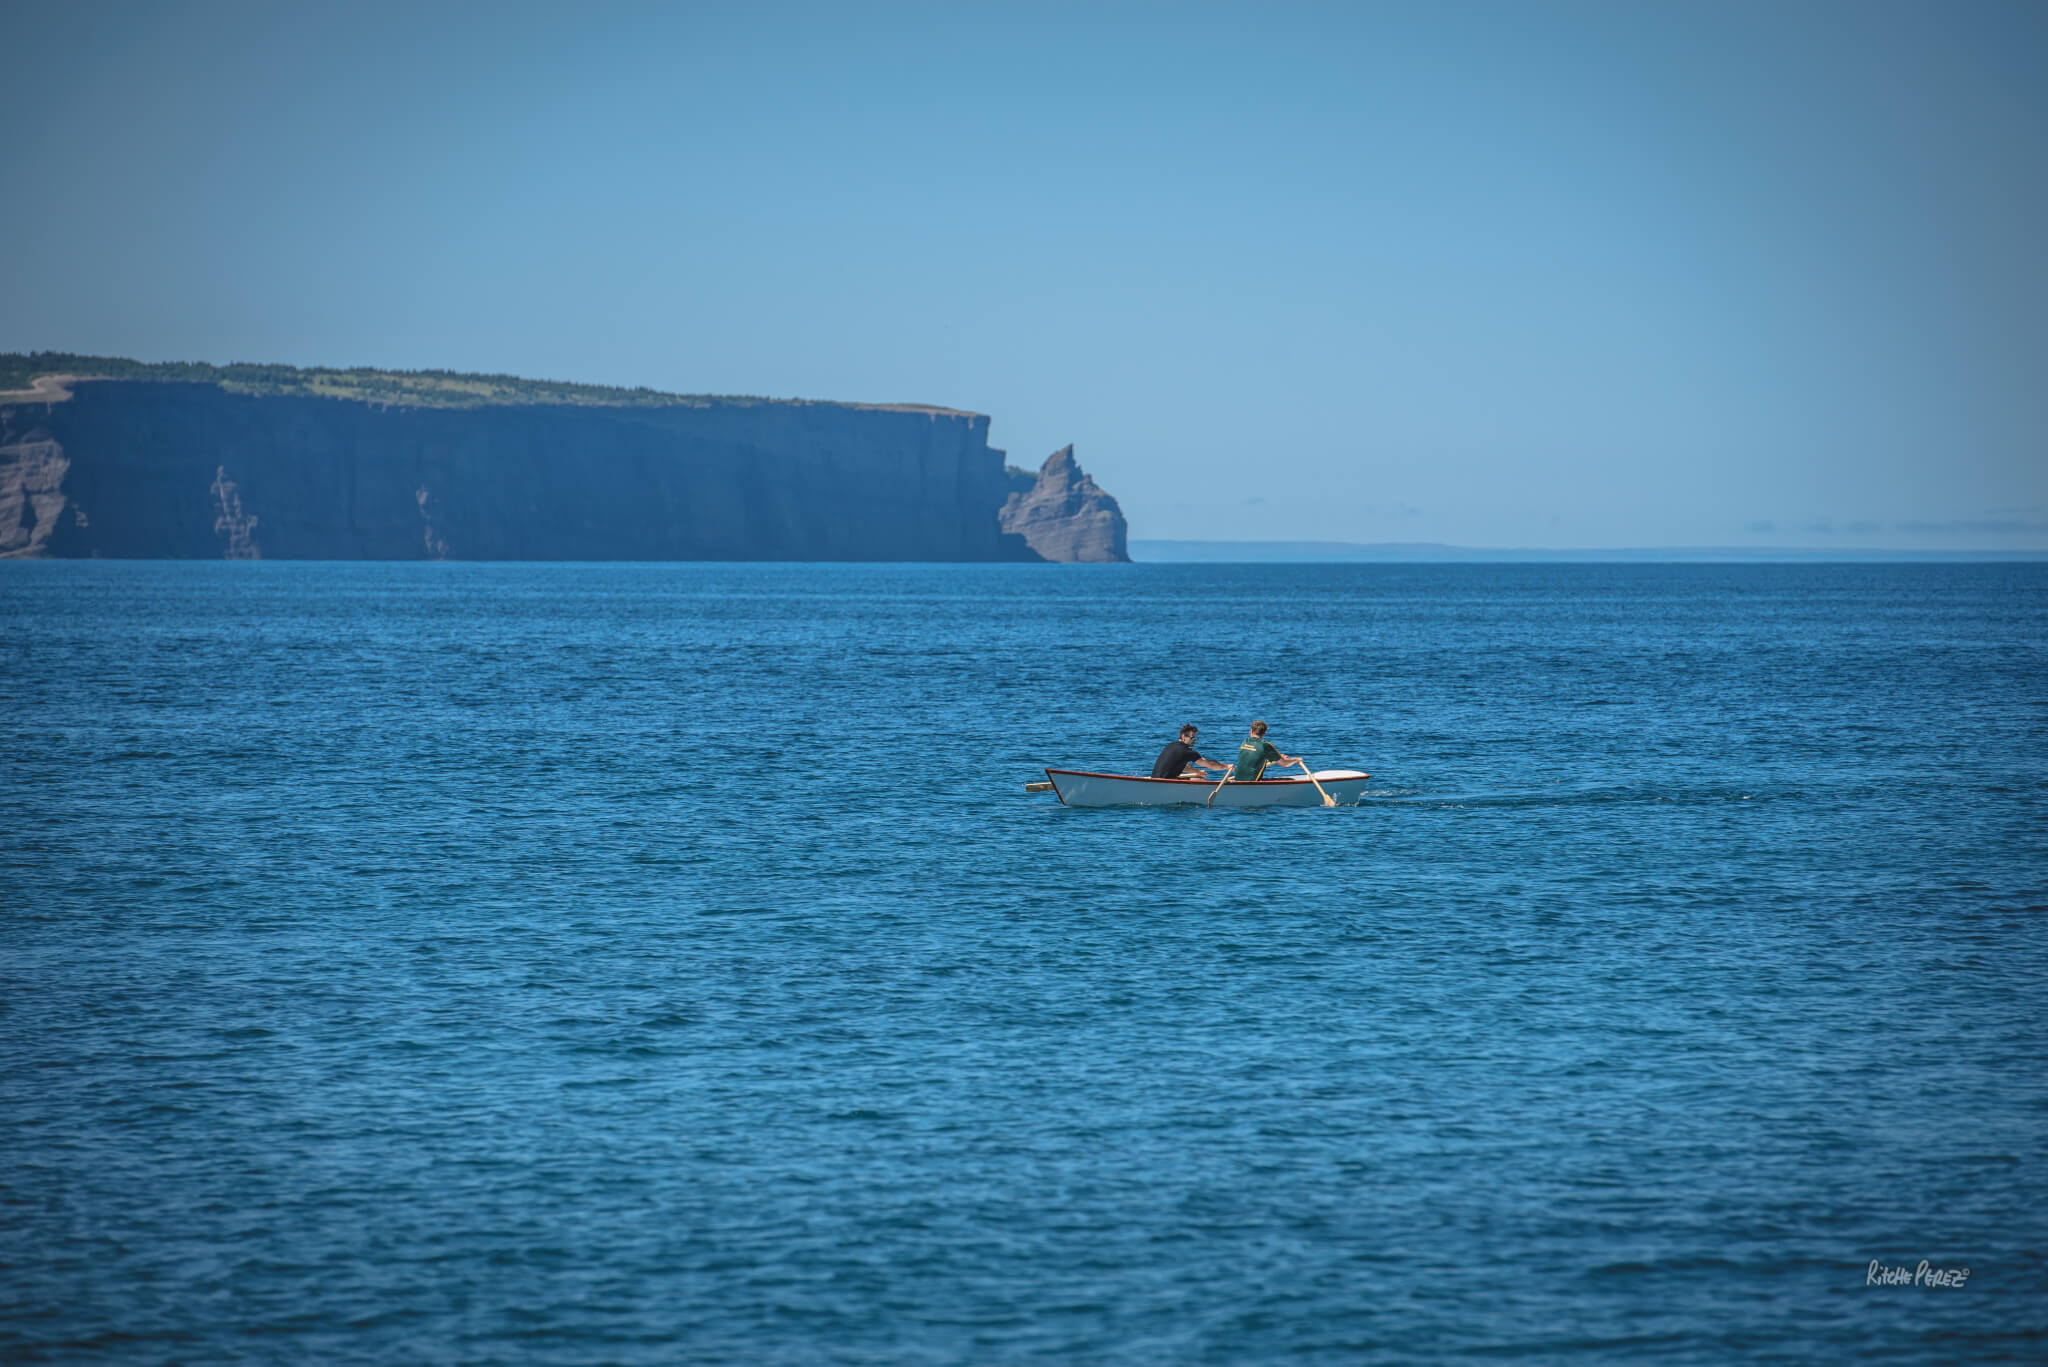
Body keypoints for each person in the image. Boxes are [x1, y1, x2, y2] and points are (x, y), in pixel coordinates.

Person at [1229, 719, 1301, 781]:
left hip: (1238, 779)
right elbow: (1285, 764)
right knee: (1291, 780)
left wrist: (1278, 756)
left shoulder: (1244, 742)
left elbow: (1257, 755)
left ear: (1250, 731)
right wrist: (1295, 760)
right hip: (1253, 781)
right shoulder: (1265, 745)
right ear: (1264, 733)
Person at [1151, 724, 1230, 780]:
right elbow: (1209, 764)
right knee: (1200, 780)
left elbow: (1185, 766)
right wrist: (1226, 766)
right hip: (1165, 783)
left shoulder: (1170, 745)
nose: (1194, 741)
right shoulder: (1187, 752)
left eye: (1195, 739)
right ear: (1183, 737)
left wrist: (1198, 772)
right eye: (1192, 738)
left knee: (1198, 777)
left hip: (1154, 779)